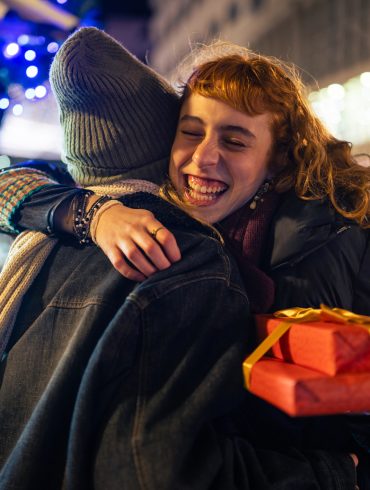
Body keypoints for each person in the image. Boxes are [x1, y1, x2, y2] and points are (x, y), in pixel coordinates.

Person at [0, 27, 368, 488]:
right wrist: (93, 213)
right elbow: (11, 183)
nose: (202, 158)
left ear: (277, 158)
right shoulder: (162, 229)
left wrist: (345, 474)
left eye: (234, 142)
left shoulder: (336, 232)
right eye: (189, 132)